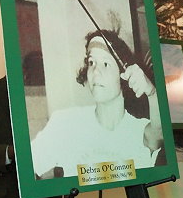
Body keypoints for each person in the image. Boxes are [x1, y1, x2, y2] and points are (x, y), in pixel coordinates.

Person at [31, 29, 164, 178]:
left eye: (105, 64)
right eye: (91, 62)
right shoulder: (64, 123)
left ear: (124, 75)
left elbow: (161, 130)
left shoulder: (138, 132)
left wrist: (152, 92)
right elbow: (27, 167)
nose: (95, 71)